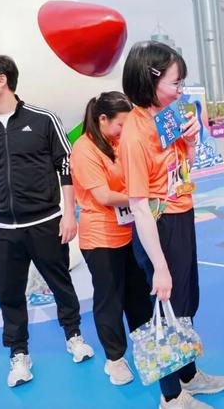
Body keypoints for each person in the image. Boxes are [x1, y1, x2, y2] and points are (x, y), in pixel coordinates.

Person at [120, 41, 224, 409]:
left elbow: (184, 168)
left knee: (184, 304)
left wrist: (193, 140)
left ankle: (188, 375)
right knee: (165, 312)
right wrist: (160, 267)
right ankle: (171, 397)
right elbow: (139, 206)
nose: (181, 89)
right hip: (158, 224)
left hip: (181, 215)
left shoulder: (168, 116)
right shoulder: (135, 134)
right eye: (175, 82)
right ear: (149, 80)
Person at [0, 52, 94, 387]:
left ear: (1, 79)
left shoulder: (44, 119)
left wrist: (69, 214)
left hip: (46, 221)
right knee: (9, 294)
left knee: (61, 284)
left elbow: (66, 166)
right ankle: (19, 354)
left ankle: (73, 335)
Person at [70, 92, 153, 386]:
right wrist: (142, 197)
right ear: (103, 119)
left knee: (139, 294)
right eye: (120, 125)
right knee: (110, 300)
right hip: (101, 237)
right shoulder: (84, 149)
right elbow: (104, 196)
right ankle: (115, 359)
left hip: (130, 231)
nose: (124, 131)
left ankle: (145, 347)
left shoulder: (119, 142)